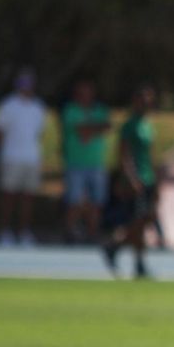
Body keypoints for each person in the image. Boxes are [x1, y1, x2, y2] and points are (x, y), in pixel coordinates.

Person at [101, 85, 161, 280]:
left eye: (149, 100)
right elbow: (124, 155)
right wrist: (130, 178)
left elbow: (151, 155)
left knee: (145, 221)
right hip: (136, 181)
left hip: (148, 178)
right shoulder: (130, 125)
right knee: (138, 222)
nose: (146, 104)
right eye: (143, 100)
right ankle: (139, 264)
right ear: (135, 102)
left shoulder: (148, 125)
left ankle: (115, 247)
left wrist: (157, 180)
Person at [0, 69, 47, 246]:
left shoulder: (39, 107)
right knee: (8, 196)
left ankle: (23, 233)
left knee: (28, 197)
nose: (26, 88)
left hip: (31, 159)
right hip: (11, 158)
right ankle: (4, 232)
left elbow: (39, 133)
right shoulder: (8, 105)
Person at [61, 79, 112, 244]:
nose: (85, 96)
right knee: (74, 201)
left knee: (96, 202)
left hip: (96, 164)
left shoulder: (100, 110)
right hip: (75, 163)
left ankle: (93, 234)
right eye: (81, 93)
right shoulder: (70, 110)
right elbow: (83, 130)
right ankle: (69, 234)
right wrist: (96, 127)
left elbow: (106, 127)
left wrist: (90, 128)